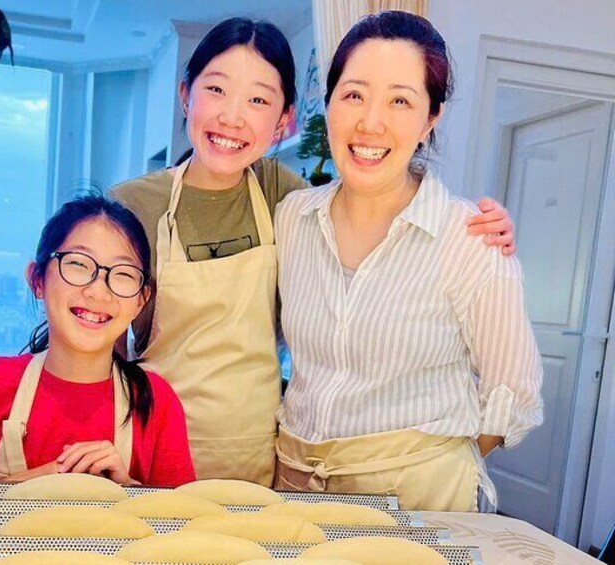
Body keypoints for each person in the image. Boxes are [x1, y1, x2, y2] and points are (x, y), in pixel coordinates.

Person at [110, 17, 515, 486]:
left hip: (256, 455)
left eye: (258, 100)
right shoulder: (132, 205)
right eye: (216, 90)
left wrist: (475, 230)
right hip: (149, 447)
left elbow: (379, 225)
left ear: (285, 120)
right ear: (186, 95)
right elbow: (102, 350)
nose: (232, 117)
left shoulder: (287, 198)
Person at [274, 11, 543, 511]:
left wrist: (429, 468)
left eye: (400, 100)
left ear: (430, 119)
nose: (370, 122)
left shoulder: (470, 239)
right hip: (294, 490)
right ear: (328, 104)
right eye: (354, 94)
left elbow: (514, 395)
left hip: (416, 502)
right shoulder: (292, 218)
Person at [0, 195, 195, 490]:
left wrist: (126, 489)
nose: (98, 291)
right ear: (37, 280)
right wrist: (42, 480)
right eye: (78, 264)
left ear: (141, 299)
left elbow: (176, 515)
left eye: (123, 274)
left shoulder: (157, 401)